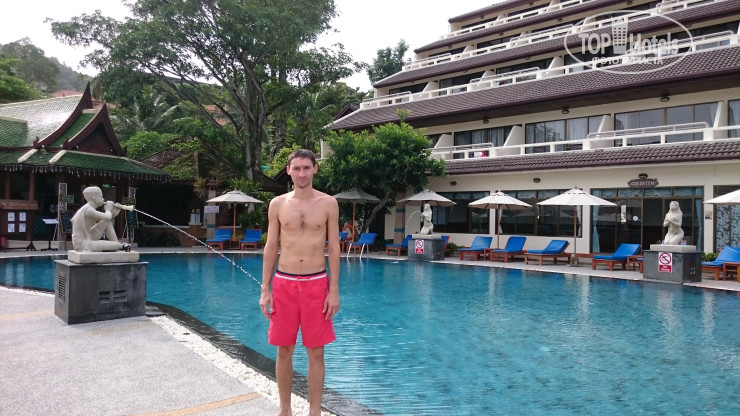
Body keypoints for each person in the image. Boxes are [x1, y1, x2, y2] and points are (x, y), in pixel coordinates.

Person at [260, 149, 340, 416]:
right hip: (284, 283)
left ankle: (314, 411)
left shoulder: (328, 203)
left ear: (315, 169)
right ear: (289, 171)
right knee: (284, 349)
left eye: (306, 167)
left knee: (316, 351)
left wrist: (334, 291)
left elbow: (335, 248)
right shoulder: (277, 204)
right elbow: (271, 246)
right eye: (296, 168)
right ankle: (285, 410)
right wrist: (265, 289)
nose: (302, 173)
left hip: (316, 284)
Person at [70, 186, 132, 252]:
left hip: (88, 236)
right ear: (94, 197)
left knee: (106, 222)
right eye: (101, 196)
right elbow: (108, 216)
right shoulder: (88, 210)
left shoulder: (88, 208)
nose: (103, 199)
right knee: (104, 244)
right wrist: (109, 209)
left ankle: (115, 244)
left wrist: (114, 212)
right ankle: (119, 246)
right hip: (83, 244)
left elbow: (106, 218)